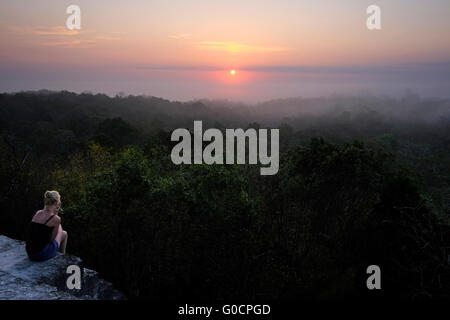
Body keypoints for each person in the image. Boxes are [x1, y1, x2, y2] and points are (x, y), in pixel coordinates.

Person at [25, 190, 68, 262]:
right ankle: (62, 257)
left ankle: (61, 256)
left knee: (63, 233)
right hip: (40, 255)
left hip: (30, 253)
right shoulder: (56, 219)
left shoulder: (38, 213)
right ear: (56, 203)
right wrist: (56, 214)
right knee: (63, 232)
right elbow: (51, 240)